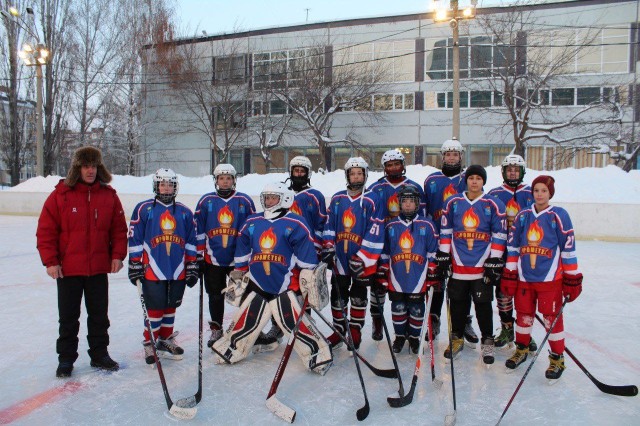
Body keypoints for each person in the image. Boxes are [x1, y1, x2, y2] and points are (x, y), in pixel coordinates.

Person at [212, 182, 332, 375]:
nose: (268, 201)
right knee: (247, 320)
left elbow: (307, 261)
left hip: (285, 287)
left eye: (273, 198)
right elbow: (242, 254)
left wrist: (308, 280)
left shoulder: (296, 223)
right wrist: (239, 273)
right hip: (257, 283)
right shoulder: (252, 222)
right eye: (266, 197)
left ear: (284, 199)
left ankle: (318, 354)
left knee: (293, 324)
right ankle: (232, 348)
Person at [37, 146, 128, 378]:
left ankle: (100, 354)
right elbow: (46, 231)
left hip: (98, 268)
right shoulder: (61, 195)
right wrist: (51, 261)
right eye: (86, 166)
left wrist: (117, 255)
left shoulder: (109, 196)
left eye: (94, 166)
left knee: (99, 316)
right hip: (68, 270)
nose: (90, 171)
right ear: (77, 168)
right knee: (68, 317)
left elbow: (119, 230)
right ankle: (66, 359)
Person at [502, 175, 582, 380]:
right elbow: (512, 246)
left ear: (550, 193)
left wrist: (571, 278)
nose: (539, 194)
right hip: (525, 279)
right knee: (523, 315)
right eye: (536, 190)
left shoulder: (559, 215)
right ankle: (522, 348)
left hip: (550, 280)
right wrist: (510, 272)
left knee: (551, 319)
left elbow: (568, 249)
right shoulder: (523, 216)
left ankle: (557, 358)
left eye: (543, 191)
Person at [128, 169, 199, 365]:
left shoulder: (184, 211)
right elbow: (134, 238)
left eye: (170, 184)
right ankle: (150, 342)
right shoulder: (144, 209)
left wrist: (192, 263)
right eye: (163, 184)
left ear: (175, 187)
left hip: (177, 268)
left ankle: (165, 340)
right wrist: (134, 263)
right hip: (152, 268)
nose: (166, 188)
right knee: (154, 308)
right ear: (156, 186)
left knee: (170, 306)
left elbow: (191, 241)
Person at [437, 165, 507, 365]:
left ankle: (487, 341)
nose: (474, 181)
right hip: (459, 263)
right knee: (457, 304)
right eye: (471, 178)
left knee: (483, 305)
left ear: (483, 181)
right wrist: (443, 256)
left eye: (478, 178)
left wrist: (494, 260)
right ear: (466, 180)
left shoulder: (494, 204)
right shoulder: (453, 202)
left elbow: (499, 234)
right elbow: (446, 231)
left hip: (481, 264)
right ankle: (456, 337)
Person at [356, 149, 425, 341]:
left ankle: (411, 329)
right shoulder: (376, 189)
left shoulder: (415, 187)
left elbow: (423, 219)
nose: (393, 167)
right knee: (378, 286)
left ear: (403, 165)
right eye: (389, 165)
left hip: (407, 247)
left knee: (407, 286)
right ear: (384, 168)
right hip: (381, 244)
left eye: (397, 164)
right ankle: (377, 323)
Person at [262, 156, 327, 342]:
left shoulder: (315, 195)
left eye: (302, 171)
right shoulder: (281, 192)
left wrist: (319, 250)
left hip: (306, 253)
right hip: (282, 252)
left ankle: (306, 326)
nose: (298, 174)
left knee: (303, 290)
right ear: (290, 172)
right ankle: (277, 326)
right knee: (279, 287)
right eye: (295, 170)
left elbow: (321, 225)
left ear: (308, 173)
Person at [322, 157, 383, 350]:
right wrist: (329, 247)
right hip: (340, 258)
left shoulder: (373, 199)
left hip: (360, 260)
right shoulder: (338, 198)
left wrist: (364, 257)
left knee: (358, 295)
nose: (356, 177)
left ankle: (355, 331)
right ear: (347, 175)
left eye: (359, 173)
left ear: (365, 175)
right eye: (352, 173)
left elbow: (376, 230)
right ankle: (339, 330)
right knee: (338, 295)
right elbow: (329, 225)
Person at [423, 138, 478, 346]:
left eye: (456, 154)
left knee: (461, 284)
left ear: (461, 156)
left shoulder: (469, 179)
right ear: (442, 156)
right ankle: (434, 318)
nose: (452, 157)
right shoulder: (431, 180)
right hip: (438, 240)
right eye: (448, 154)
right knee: (436, 282)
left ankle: (463, 320)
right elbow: (425, 211)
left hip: (463, 241)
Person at [194, 164, 256, 348]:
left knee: (244, 295)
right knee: (214, 295)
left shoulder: (244, 201)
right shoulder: (206, 201)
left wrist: (251, 256)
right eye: (221, 178)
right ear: (216, 181)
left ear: (234, 180)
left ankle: (245, 327)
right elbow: (198, 230)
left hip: (238, 260)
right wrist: (198, 256)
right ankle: (217, 328)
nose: (225, 181)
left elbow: (252, 229)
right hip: (212, 259)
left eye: (228, 178)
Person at [379, 185, 439, 354]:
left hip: (418, 277)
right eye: (404, 201)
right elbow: (385, 252)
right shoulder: (390, 226)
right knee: (398, 307)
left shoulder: (427, 225)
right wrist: (382, 271)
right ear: (399, 203)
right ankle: (399, 336)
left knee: (416, 309)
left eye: (411, 202)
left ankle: (414, 337)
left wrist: (433, 271)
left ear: (418, 203)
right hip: (396, 276)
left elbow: (432, 251)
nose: (407, 205)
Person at [487, 154, 537, 352]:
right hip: (502, 252)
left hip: (525, 253)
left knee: (525, 294)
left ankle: (525, 332)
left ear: (522, 171)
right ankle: (507, 328)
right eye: (509, 169)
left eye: (516, 169)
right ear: (504, 172)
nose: (513, 172)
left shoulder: (532, 193)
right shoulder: (494, 194)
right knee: (503, 292)